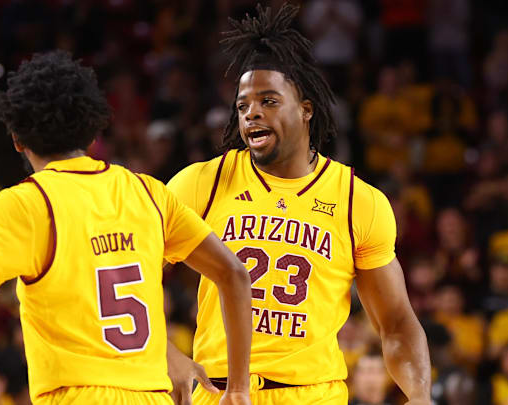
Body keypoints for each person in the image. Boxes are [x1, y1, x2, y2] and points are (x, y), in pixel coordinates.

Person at [0, 51, 253, 405]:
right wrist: (236, 389)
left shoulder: (27, 204)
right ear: (94, 129)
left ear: (16, 138)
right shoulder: (147, 192)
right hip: (151, 394)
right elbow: (233, 273)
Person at [165, 4, 430, 404]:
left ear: (306, 110)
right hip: (220, 391)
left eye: (269, 101)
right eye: (243, 105)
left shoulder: (358, 200)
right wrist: (167, 354)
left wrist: (421, 396)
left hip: (311, 394)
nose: (252, 112)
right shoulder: (201, 182)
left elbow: (394, 322)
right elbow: (128, 273)